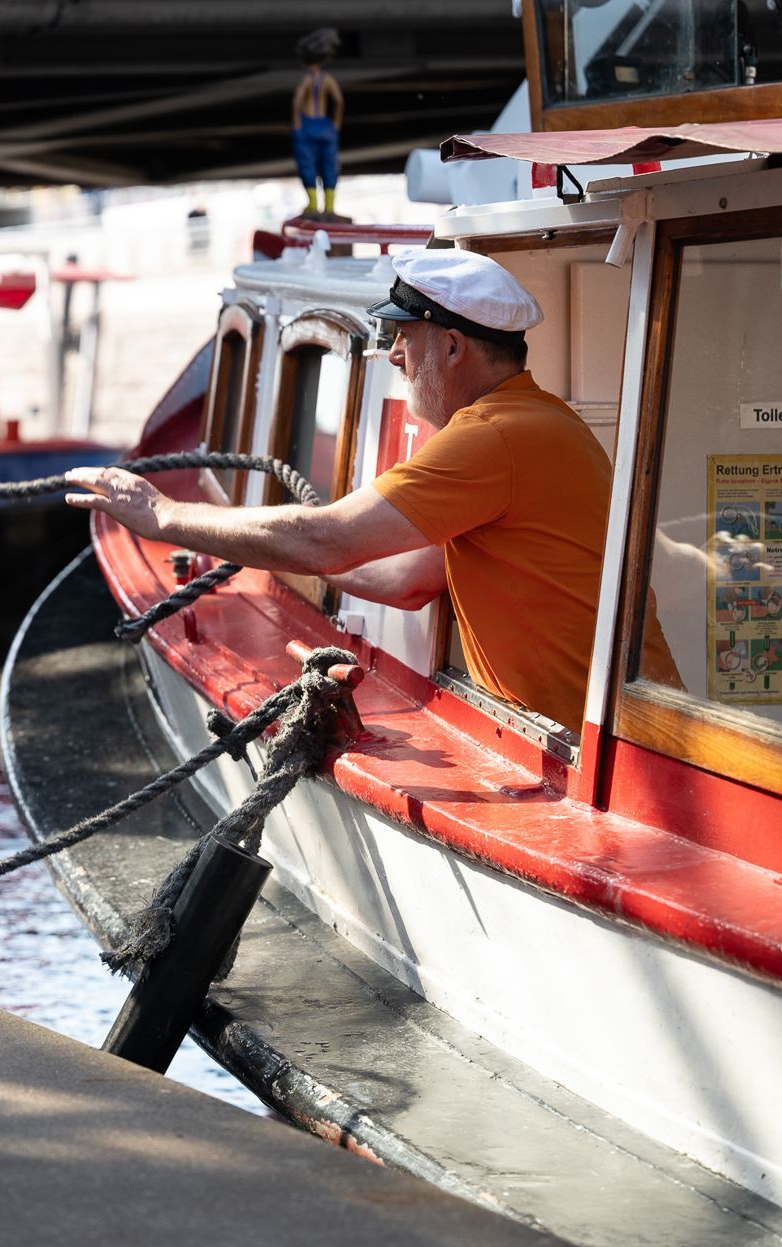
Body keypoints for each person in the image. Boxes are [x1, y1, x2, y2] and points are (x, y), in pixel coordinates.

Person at [67, 248, 680, 734]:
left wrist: (163, 514)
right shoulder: (535, 419)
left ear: (451, 346)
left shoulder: (493, 435)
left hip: (601, 744)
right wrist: (265, 550)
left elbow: (328, 540)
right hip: (611, 731)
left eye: (403, 336)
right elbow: (407, 579)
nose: (393, 356)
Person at [291, 28, 344, 218]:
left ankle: (313, 203)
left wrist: (297, 124)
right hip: (326, 127)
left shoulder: (307, 79)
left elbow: (297, 101)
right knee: (329, 165)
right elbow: (339, 101)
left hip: (307, 126)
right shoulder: (327, 79)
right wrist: (336, 124)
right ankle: (329, 206)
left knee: (308, 164)